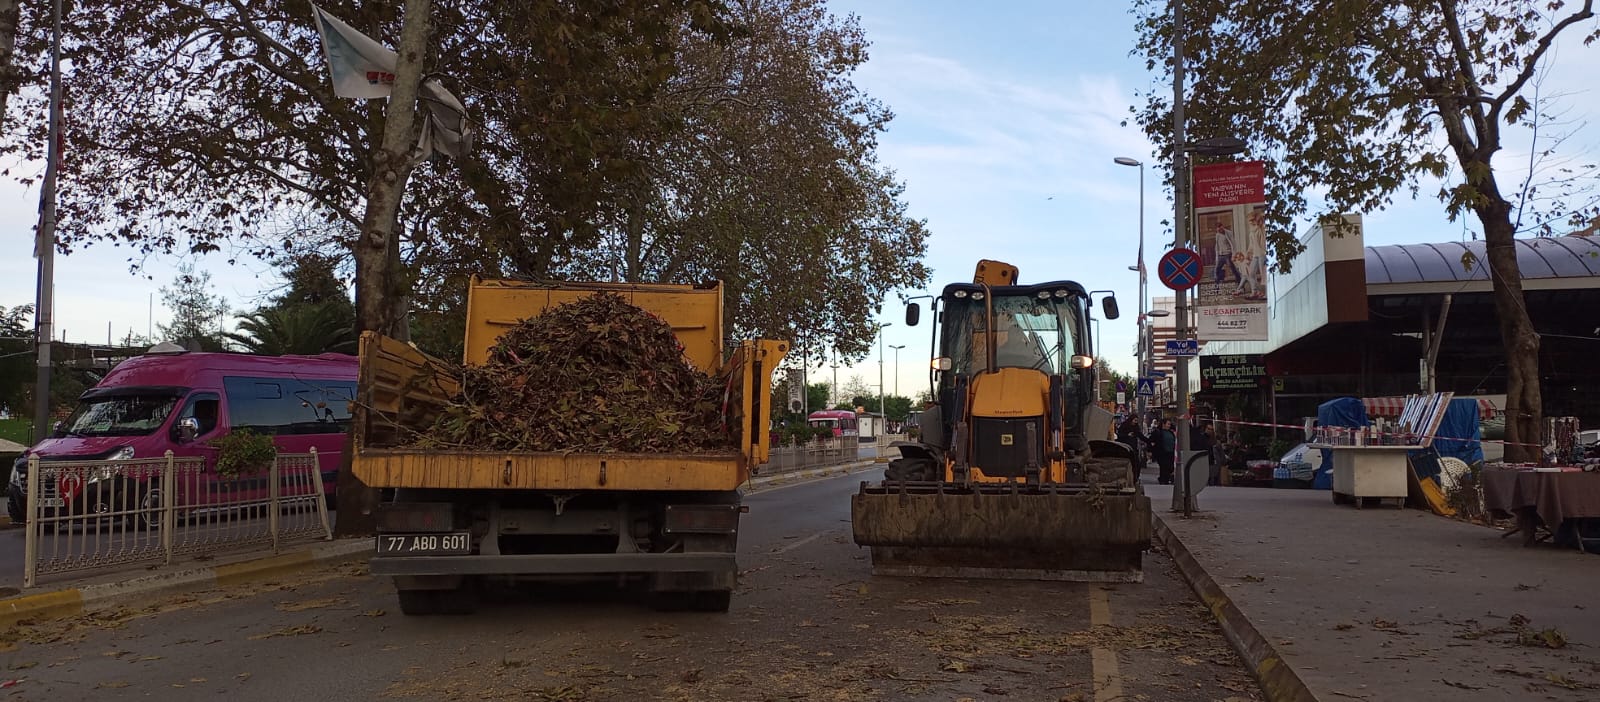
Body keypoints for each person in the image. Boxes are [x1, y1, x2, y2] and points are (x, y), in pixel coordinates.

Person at [1152, 419, 1177, 485]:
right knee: (1163, 467)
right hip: (1162, 453)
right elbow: (1154, 441)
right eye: (1168, 424)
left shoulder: (1171, 432)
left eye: (1169, 424)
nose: (1169, 426)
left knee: (1169, 467)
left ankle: (1167, 478)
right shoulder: (1159, 432)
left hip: (1171, 453)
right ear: (1163, 424)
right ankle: (1163, 479)